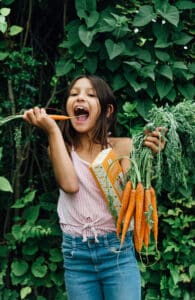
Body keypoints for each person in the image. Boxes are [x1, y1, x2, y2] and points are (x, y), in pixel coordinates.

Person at [23, 74, 165, 300]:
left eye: (90, 95)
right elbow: (70, 185)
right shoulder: (60, 148)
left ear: (107, 111)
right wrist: (51, 131)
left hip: (117, 254)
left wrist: (151, 154)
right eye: (74, 94)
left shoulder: (124, 148)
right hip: (76, 256)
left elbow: (131, 192)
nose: (80, 97)